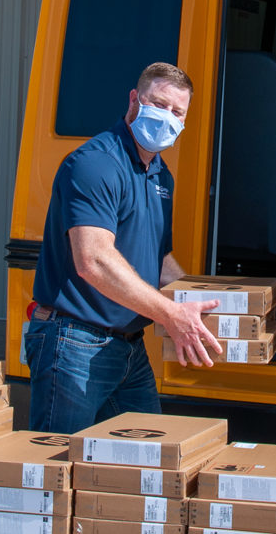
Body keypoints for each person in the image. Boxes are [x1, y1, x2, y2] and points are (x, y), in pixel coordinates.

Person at [24, 62, 223, 434]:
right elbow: (93, 260)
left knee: (144, 462)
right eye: (158, 105)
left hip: (128, 347)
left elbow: (159, 260)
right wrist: (170, 314)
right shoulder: (96, 164)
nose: (167, 118)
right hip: (74, 344)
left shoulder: (161, 176)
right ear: (134, 100)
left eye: (177, 112)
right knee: (55, 467)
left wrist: (203, 303)